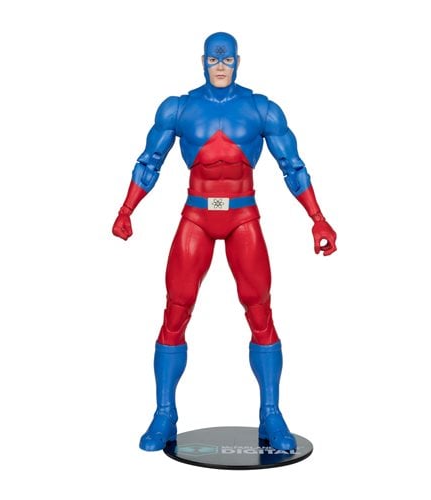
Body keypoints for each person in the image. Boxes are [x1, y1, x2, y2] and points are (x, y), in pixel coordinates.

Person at [112, 32, 337, 452]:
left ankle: (271, 412)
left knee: (260, 311)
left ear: (237, 61)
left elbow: (292, 165)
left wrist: (318, 219)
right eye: (214, 59)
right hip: (197, 215)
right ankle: (164, 413)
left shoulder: (260, 108)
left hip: (242, 215)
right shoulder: (179, 108)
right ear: (202, 61)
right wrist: (127, 209)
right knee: (176, 311)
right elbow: (149, 161)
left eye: (227, 59)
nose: (220, 66)